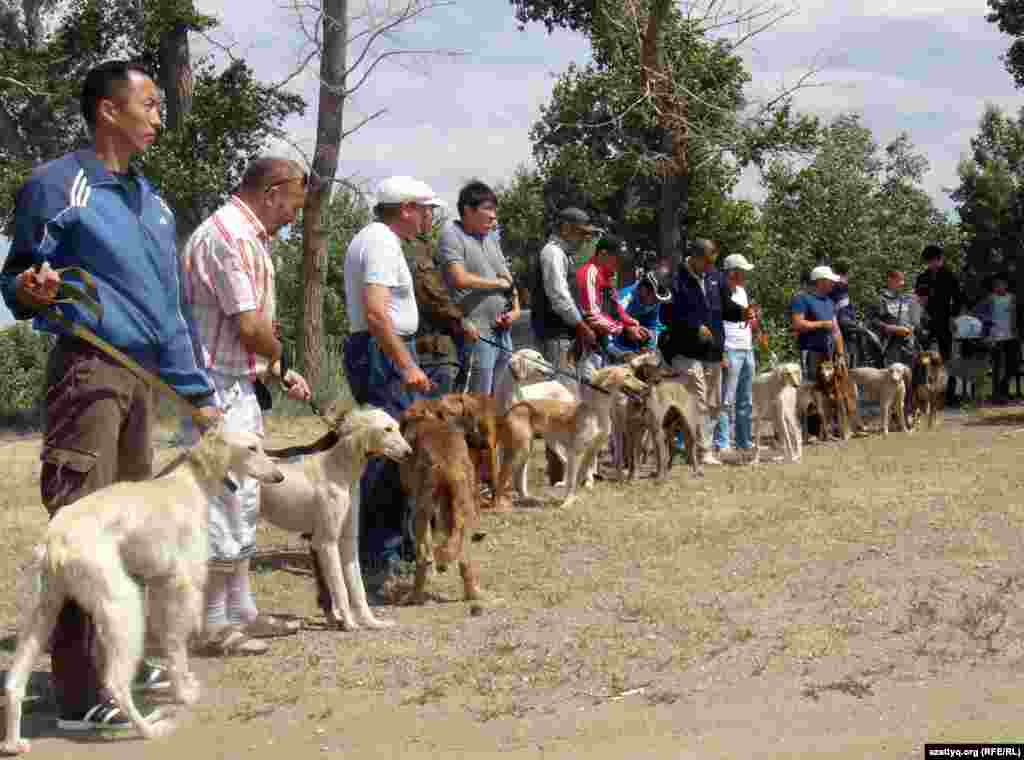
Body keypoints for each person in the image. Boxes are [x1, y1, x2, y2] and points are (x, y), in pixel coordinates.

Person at [0, 61, 220, 732]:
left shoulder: (152, 202)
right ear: (107, 110)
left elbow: (172, 309)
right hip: (90, 373)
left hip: (144, 385)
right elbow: (17, 280)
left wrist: (198, 394)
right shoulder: (56, 185)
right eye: (148, 104)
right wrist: (28, 291)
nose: (159, 116)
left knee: (128, 536)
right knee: (82, 530)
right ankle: (76, 694)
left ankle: (113, 664)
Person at [181, 157, 312, 654]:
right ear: (273, 190)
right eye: (294, 203)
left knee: (244, 500)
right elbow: (251, 328)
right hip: (215, 387)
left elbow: (253, 334)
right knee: (223, 501)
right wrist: (277, 354)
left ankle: (242, 612)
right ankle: (214, 625)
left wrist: (277, 369)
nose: (294, 215)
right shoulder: (229, 236)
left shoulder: (248, 236)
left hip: (238, 380)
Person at [342, 175, 440, 593]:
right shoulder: (381, 242)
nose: (429, 215)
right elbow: (378, 314)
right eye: (425, 208)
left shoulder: (374, 238)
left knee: (387, 450)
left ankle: (388, 548)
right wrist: (406, 364)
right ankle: (379, 557)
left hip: (379, 350)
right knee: (388, 452)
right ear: (406, 209)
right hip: (383, 353)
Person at [437, 180, 518, 395]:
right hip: (476, 332)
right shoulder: (452, 234)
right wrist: (497, 284)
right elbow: (459, 278)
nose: (493, 216)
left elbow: (508, 279)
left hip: (502, 330)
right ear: (468, 210)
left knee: (498, 398)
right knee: (476, 401)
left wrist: (515, 310)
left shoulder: (491, 238)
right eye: (488, 209)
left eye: (494, 210)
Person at [660, 238, 725, 466]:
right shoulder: (674, 280)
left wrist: (742, 313)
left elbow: (724, 307)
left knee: (712, 403)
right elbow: (667, 317)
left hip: (712, 351)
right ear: (695, 257)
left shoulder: (715, 277)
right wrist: (694, 326)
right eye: (707, 261)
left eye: (712, 261)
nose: (710, 266)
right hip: (684, 351)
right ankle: (702, 451)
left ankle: (697, 448)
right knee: (698, 399)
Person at [530, 207, 598, 383]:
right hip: (556, 337)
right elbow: (559, 297)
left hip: (566, 336)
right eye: (582, 233)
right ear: (566, 229)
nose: (585, 239)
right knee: (562, 394)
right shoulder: (553, 253)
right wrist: (582, 326)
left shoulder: (565, 255)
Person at [407, 234, 477, 397]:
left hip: (444, 349)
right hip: (433, 351)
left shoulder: (426, 246)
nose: (430, 214)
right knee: (438, 415)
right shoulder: (413, 249)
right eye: (429, 209)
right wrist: (460, 320)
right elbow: (432, 294)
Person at [714, 253, 766, 460]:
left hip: (746, 349)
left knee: (745, 399)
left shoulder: (743, 292)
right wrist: (722, 353)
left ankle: (744, 441)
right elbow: (718, 322)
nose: (745, 275)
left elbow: (748, 319)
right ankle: (723, 443)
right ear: (733, 272)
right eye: (743, 271)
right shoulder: (719, 291)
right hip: (729, 348)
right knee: (726, 399)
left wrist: (757, 331)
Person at [576, 234, 650, 368]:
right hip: (584, 345)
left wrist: (632, 323)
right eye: (618, 259)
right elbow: (592, 315)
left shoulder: (606, 277)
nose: (620, 264)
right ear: (603, 254)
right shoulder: (589, 272)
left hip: (599, 344)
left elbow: (616, 307)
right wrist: (623, 330)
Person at [915, 245, 962, 404]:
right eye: (929, 261)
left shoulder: (950, 276)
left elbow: (957, 299)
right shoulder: (922, 277)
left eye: (935, 260)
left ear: (940, 259)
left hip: (945, 319)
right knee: (924, 355)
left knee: (948, 356)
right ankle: (923, 389)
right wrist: (922, 315)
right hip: (927, 320)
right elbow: (919, 299)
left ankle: (950, 392)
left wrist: (953, 317)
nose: (932, 264)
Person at [790, 265, 846, 382]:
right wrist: (822, 324)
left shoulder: (830, 302)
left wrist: (840, 355)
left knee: (827, 387)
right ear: (821, 282)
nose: (833, 283)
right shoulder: (802, 299)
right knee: (811, 389)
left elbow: (836, 331)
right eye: (830, 281)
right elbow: (797, 324)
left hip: (828, 356)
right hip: (811, 354)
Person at [975, 275, 1018, 403]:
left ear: (1006, 285)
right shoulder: (990, 298)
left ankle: (1003, 390)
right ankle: (997, 394)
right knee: (997, 367)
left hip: (1011, 336)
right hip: (995, 337)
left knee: (1012, 365)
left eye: (1001, 284)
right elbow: (978, 312)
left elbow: (1015, 315)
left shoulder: (1012, 298)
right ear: (994, 287)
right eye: (996, 285)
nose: (999, 287)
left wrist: (1015, 329)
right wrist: (987, 323)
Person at [871, 269, 920, 367]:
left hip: (908, 345)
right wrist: (890, 328)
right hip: (891, 346)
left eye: (903, 281)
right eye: (899, 281)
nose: (902, 284)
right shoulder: (881, 300)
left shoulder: (904, 298)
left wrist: (914, 327)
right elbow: (873, 320)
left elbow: (912, 317)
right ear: (890, 280)